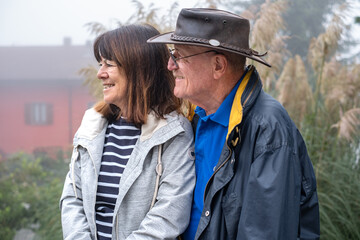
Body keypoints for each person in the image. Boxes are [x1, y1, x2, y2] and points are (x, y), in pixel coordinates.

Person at [147, 8, 320, 240]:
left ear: (218, 65)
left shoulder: (268, 127)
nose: (170, 65)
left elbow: (264, 234)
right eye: (171, 54)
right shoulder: (195, 119)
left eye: (179, 56)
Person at [60, 24, 196, 240]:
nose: (100, 74)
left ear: (139, 69)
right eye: (100, 64)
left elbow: (169, 216)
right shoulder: (92, 125)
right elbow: (72, 197)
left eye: (109, 65)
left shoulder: (174, 133)